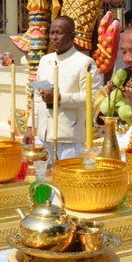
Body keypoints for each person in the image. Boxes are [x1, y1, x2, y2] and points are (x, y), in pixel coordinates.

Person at [35, 16, 102, 162]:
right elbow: (37, 97)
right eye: (52, 33)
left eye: (59, 33)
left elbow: (93, 97)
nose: (54, 37)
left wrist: (60, 98)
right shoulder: (45, 60)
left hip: (68, 138)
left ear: (72, 36)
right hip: (43, 135)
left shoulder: (84, 62)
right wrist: (30, 126)